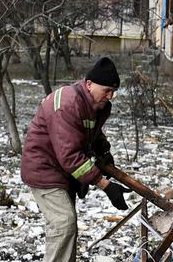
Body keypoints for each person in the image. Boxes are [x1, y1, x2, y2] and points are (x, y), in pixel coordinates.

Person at [21, 57, 132, 262]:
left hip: (62, 171)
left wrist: (104, 153)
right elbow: (69, 155)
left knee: (65, 229)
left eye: (113, 91)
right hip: (44, 169)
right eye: (107, 90)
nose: (111, 96)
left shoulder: (94, 104)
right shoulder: (67, 103)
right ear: (89, 84)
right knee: (64, 223)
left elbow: (91, 133)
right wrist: (105, 185)